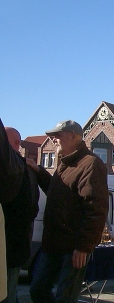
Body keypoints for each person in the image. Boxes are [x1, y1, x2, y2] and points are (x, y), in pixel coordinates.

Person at [27, 120, 109, 303]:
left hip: (73, 247)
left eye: (58, 135)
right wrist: (39, 172)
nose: (53, 139)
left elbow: (96, 209)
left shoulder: (91, 164)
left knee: (65, 297)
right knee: (37, 289)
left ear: (74, 136)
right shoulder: (64, 163)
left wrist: (83, 247)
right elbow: (59, 194)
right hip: (53, 244)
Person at [1, 127, 39, 303]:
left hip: (10, 245)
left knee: (8, 294)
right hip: (16, 245)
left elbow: (28, 208)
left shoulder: (19, 170)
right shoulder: (26, 170)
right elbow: (32, 208)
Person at [0, 119, 25, 301]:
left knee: (9, 292)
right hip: (12, 240)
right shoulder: (17, 167)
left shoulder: (18, 166)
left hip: (13, 242)